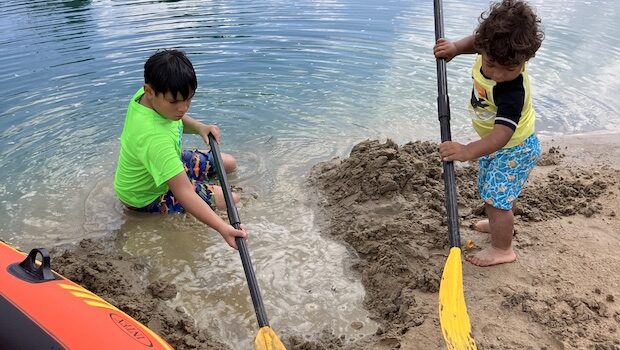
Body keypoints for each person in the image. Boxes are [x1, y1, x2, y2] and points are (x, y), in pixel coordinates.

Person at [433, 0, 544, 266]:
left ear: (524, 60)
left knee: (497, 199)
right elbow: (477, 41)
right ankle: (499, 223)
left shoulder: (511, 90)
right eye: (492, 64)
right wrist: (457, 49)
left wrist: (467, 150)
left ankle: (502, 248)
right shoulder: (489, 46)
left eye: (510, 68)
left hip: (513, 147)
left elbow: (503, 133)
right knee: (497, 192)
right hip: (498, 145)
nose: (498, 74)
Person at [114, 49, 247, 249]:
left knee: (228, 163)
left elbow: (175, 115)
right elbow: (184, 192)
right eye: (175, 101)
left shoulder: (151, 97)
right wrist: (222, 227)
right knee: (232, 200)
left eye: (188, 99)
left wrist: (200, 127)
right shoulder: (154, 139)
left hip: (164, 161)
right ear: (150, 91)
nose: (183, 108)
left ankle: (205, 183)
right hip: (146, 196)